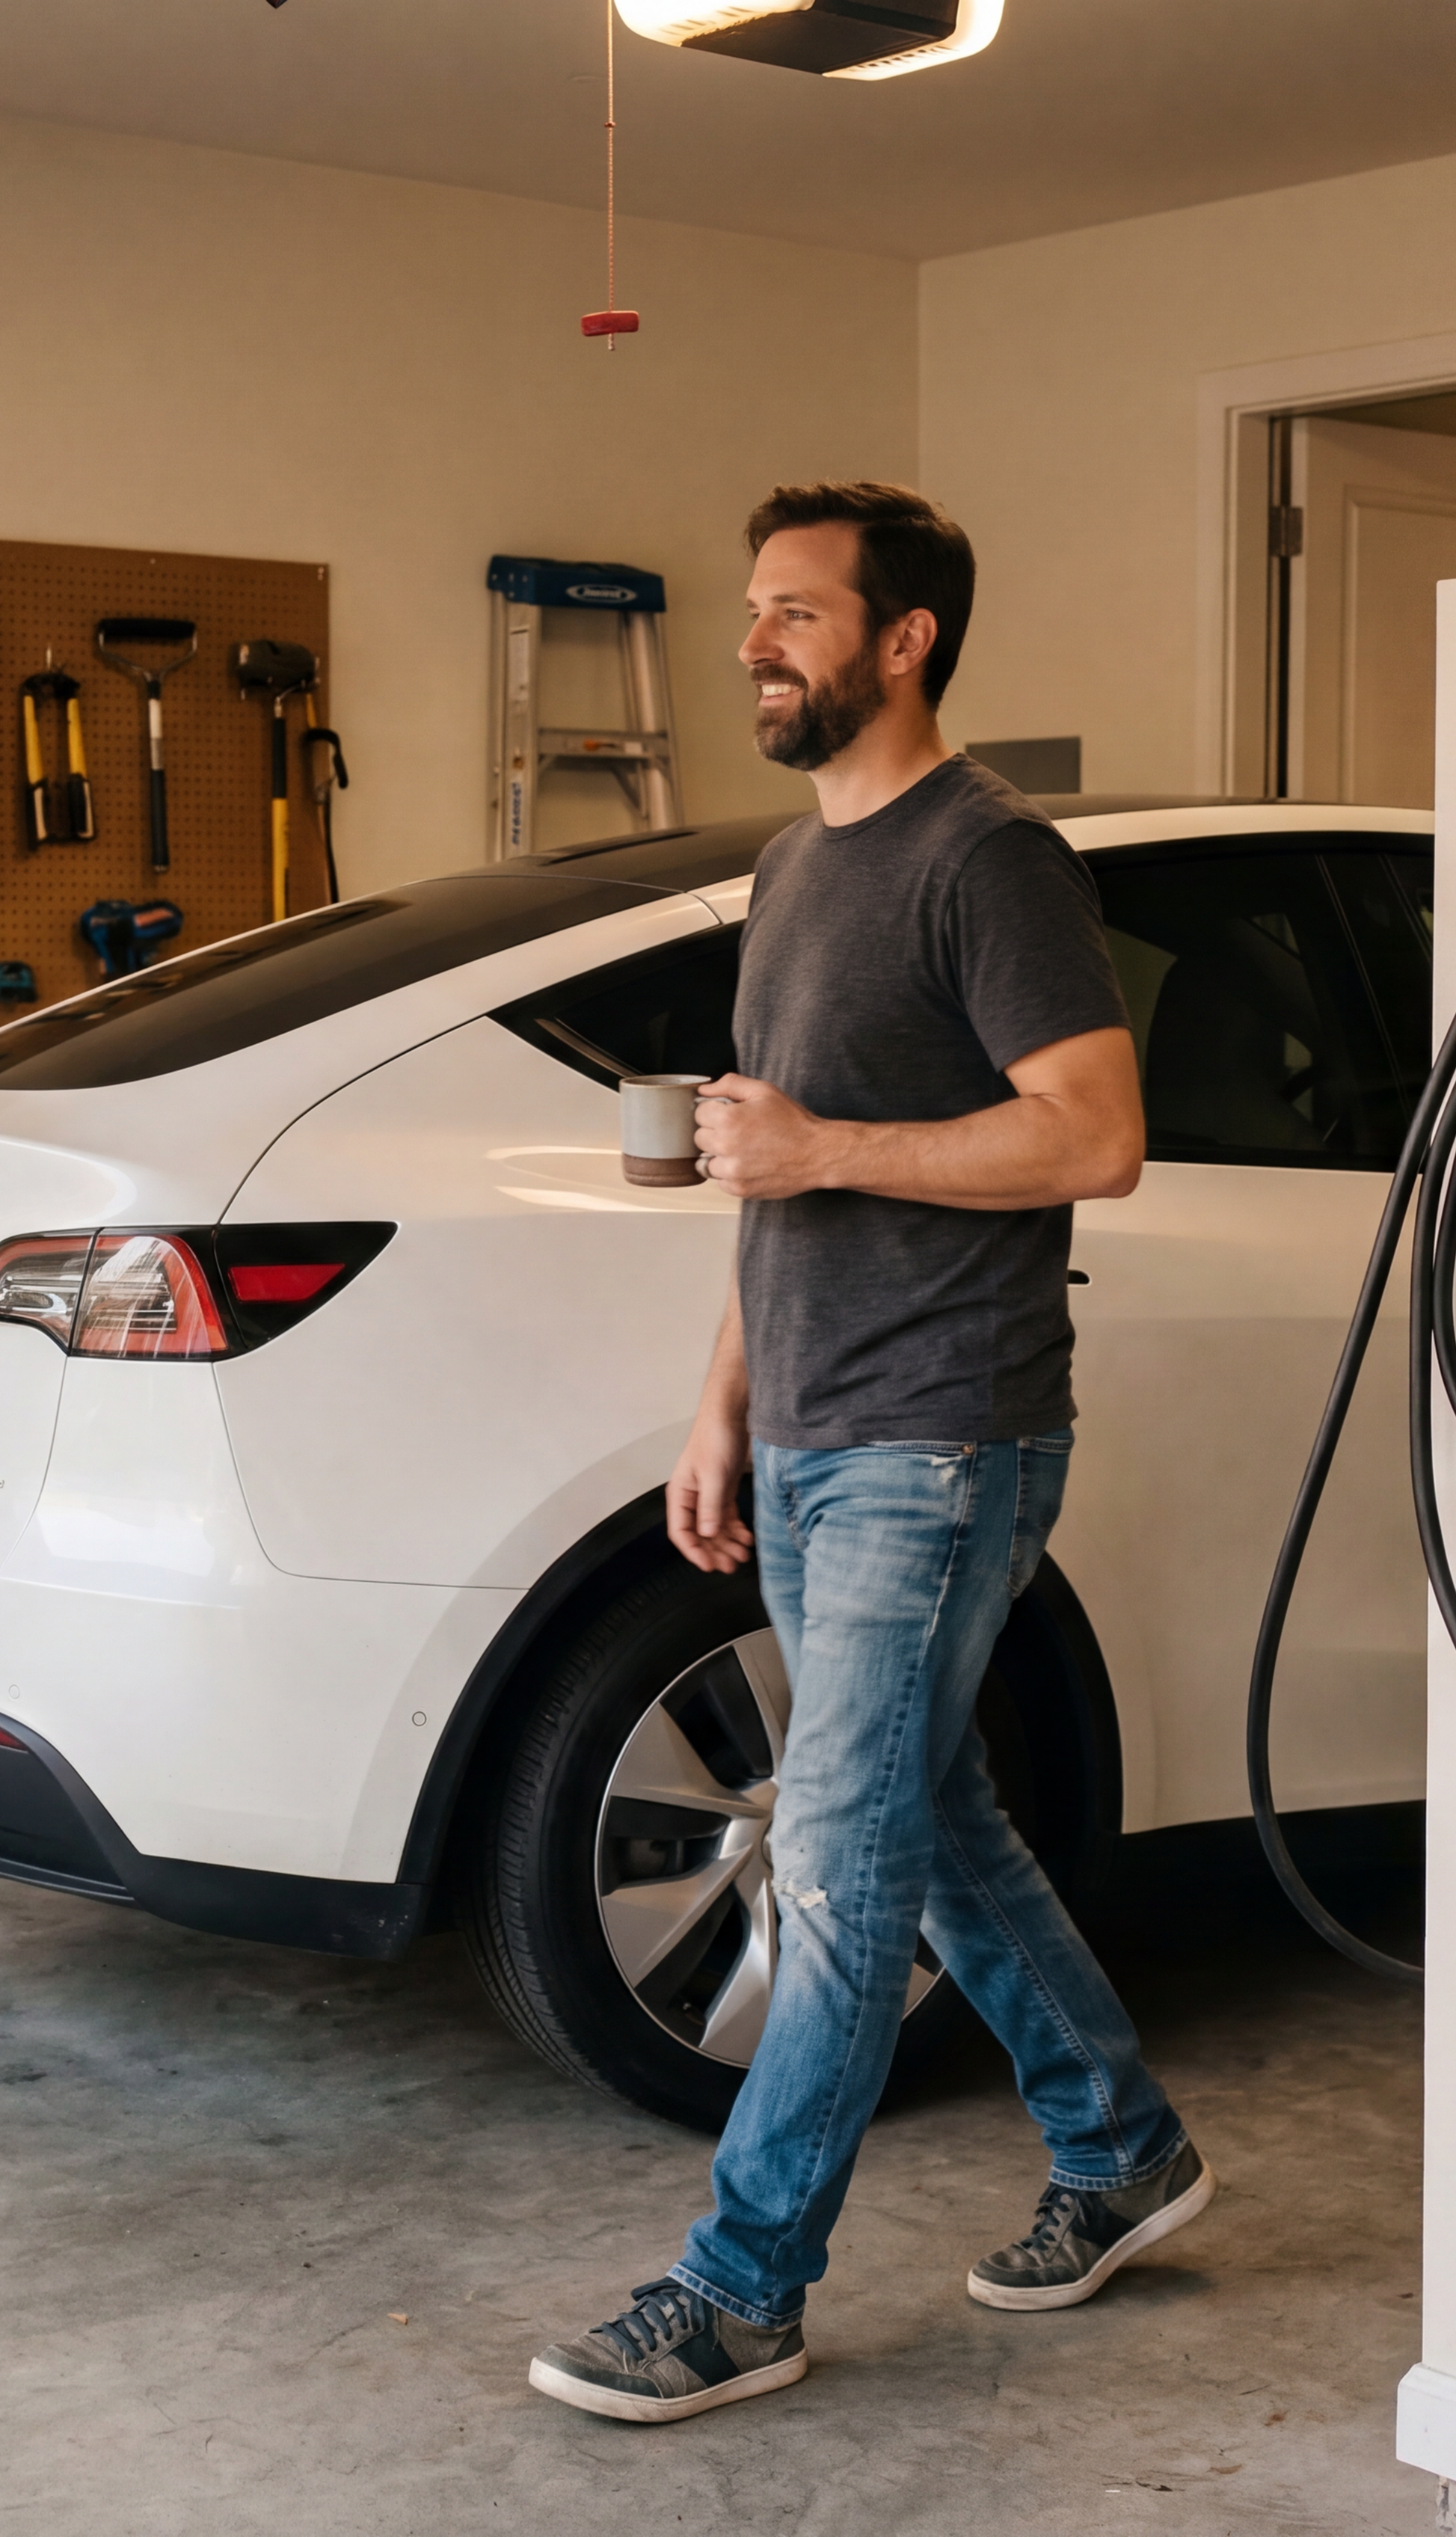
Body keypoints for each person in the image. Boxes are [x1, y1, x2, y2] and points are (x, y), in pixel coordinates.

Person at [527, 483, 1207, 2426]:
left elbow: (1094, 1133)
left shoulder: (988, 860)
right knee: (933, 1825)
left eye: (798, 612)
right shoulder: (793, 868)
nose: (756, 642)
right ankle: (1120, 2147)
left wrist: (825, 1149)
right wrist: (724, 1404)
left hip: (945, 1433)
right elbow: (774, 1169)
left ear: (905, 641)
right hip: (819, 1428)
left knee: (833, 1860)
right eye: (754, 610)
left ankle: (742, 2291)